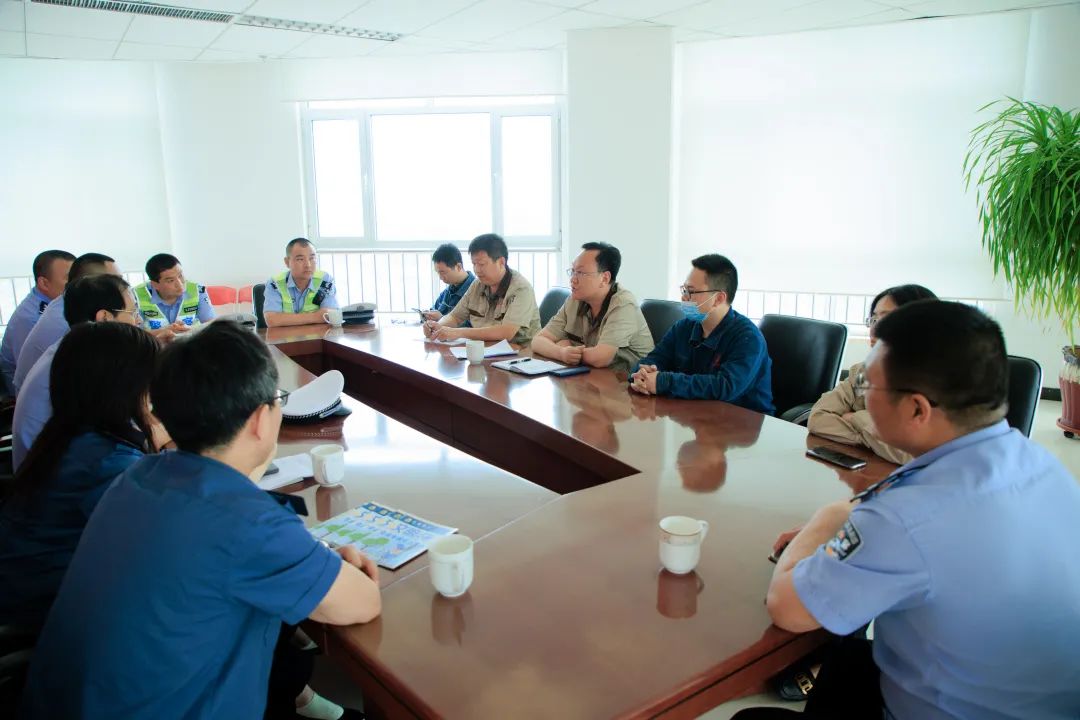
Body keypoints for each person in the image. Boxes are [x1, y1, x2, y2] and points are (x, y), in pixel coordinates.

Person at [20, 321, 381, 719]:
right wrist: (331, 564)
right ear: (261, 420)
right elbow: (362, 603)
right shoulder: (245, 522)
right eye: (278, 400)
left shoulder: (139, 475)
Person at [741, 300, 1080, 720]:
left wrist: (829, 518)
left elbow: (787, 608)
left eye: (869, 387)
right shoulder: (1042, 464)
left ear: (917, 409)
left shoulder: (904, 519)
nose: (861, 396)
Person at [0, 322, 160, 631]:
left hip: (25, 590)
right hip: (45, 613)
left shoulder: (70, 434)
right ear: (125, 388)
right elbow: (154, 554)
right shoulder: (108, 463)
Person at [11, 274, 142, 469]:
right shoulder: (86, 364)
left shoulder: (73, 348)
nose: (138, 320)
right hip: (53, 473)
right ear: (104, 317)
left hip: (53, 464)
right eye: (132, 312)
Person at [807, 284, 937, 465]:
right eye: (874, 320)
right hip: (869, 468)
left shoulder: (938, 383)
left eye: (887, 320)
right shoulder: (864, 373)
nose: (874, 330)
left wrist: (855, 417)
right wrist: (876, 439)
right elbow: (818, 419)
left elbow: (912, 454)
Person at [629, 254, 773, 414]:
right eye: (684, 289)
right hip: (695, 415)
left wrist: (663, 382)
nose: (684, 297)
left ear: (718, 298)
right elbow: (655, 358)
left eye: (691, 291)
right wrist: (643, 375)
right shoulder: (684, 327)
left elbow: (725, 387)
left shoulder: (748, 338)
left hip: (744, 422)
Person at [531, 242, 654, 372]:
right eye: (573, 271)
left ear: (605, 278)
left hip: (628, 380)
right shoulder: (575, 300)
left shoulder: (623, 304)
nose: (573, 279)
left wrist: (563, 346)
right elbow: (538, 341)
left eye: (580, 273)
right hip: (590, 375)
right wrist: (561, 352)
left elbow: (600, 358)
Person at [13, 252, 120, 394]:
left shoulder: (67, 301)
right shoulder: (66, 317)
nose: (122, 287)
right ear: (91, 283)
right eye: (115, 281)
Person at [424, 233, 540, 345]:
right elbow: (454, 317)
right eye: (474, 264)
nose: (476, 270)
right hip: (485, 350)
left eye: (481, 264)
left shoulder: (521, 288)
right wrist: (437, 326)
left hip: (521, 353)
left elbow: (507, 332)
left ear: (501, 262)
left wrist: (457, 332)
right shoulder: (477, 285)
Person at [0, 250, 74, 395]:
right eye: (70, 279)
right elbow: (33, 375)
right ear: (44, 283)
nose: (78, 283)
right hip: (24, 394)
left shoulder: (54, 306)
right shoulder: (31, 319)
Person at [134, 252, 215, 341]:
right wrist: (164, 331)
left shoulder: (197, 290)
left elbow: (211, 325)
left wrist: (191, 330)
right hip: (156, 346)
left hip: (191, 344)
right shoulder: (136, 295)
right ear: (155, 284)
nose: (180, 284)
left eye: (180, 276)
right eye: (171, 280)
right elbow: (133, 334)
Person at [263, 238, 340, 328]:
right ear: (287, 262)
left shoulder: (325, 280)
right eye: (300, 259)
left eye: (312, 258)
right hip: (285, 336)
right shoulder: (275, 283)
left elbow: (330, 315)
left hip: (318, 335)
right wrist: (316, 316)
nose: (308, 265)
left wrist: (285, 319)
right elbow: (272, 320)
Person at [423, 243, 474, 325]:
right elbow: (434, 309)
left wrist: (442, 319)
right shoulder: (447, 292)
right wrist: (428, 315)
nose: (440, 277)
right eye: (438, 273)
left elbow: (475, 326)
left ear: (458, 267)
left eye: (443, 272)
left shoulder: (476, 290)